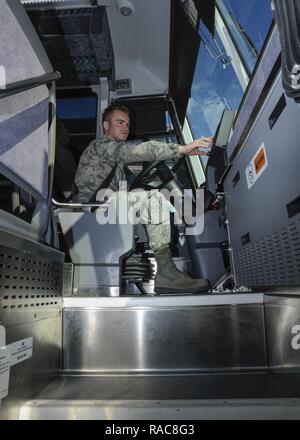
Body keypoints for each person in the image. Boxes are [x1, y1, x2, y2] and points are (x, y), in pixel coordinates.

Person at [74, 104, 212, 294]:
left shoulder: (115, 159)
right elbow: (139, 150)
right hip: (93, 208)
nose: (125, 128)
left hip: (104, 205)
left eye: (128, 124)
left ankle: (165, 268)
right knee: (152, 198)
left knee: (152, 197)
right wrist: (180, 149)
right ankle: (166, 273)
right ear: (106, 125)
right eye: (120, 122)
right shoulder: (101, 146)